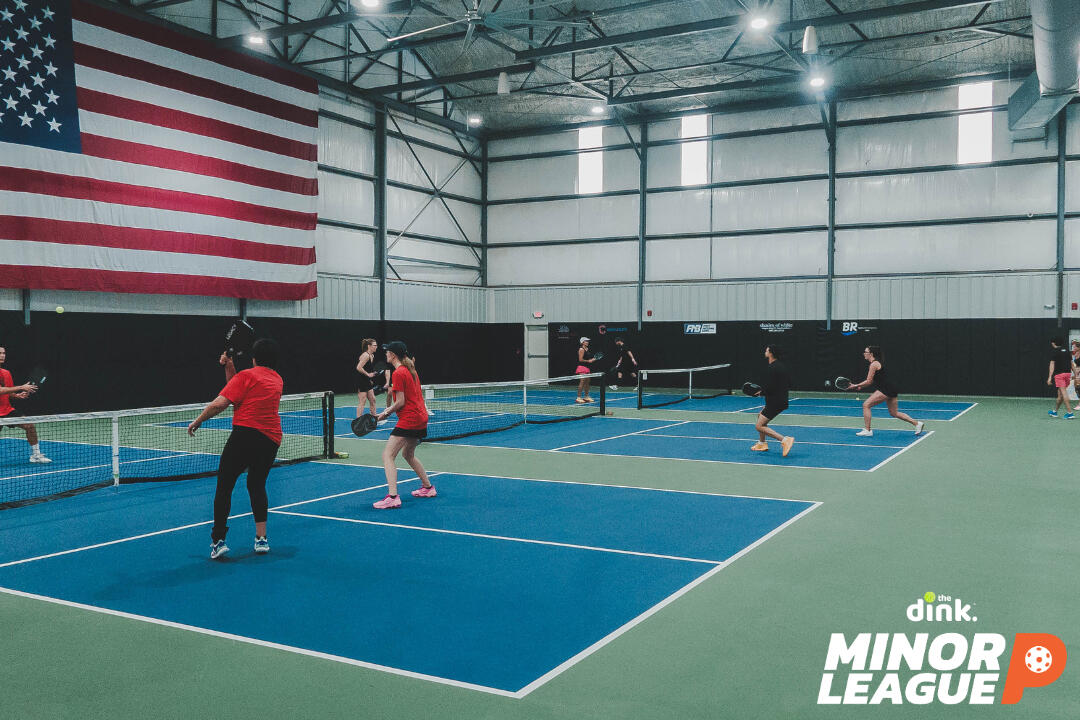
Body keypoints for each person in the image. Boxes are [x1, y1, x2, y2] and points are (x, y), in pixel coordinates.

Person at [189, 339, 284, 559]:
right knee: (256, 485)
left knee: (224, 486)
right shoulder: (277, 379)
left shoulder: (246, 376)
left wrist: (198, 420)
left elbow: (221, 403)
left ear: (254, 358)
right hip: (270, 440)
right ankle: (261, 539)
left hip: (244, 436)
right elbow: (238, 390)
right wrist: (230, 366)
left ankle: (218, 541)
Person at [373, 341, 436, 509]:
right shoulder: (411, 370)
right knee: (408, 454)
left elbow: (400, 402)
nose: (385, 353)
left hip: (410, 419)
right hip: (420, 417)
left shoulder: (399, 373)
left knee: (388, 455)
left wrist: (385, 413)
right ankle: (428, 488)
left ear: (393, 355)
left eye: (387, 351)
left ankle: (393, 497)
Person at [846, 346, 925, 436]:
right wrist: (860, 386)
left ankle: (867, 430)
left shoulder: (874, 364)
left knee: (866, 405)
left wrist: (856, 385)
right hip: (891, 388)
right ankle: (917, 423)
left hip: (885, 389)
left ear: (871, 354)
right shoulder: (876, 363)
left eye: (865, 352)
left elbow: (869, 381)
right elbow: (870, 381)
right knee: (894, 413)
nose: (864, 354)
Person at [0, 346, 49, 464]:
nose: (2, 355)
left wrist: (18, 396)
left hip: (7, 410)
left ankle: (36, 455)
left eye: (4, 353)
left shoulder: (6, 373)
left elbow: (8, 392)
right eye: (0, 353)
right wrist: (22, 387)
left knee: (29, 425)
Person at [750, 345, 795, 457]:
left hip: (776, 402)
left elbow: (770, 387)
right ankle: (762, 444)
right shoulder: (781, 366)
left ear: (770, 353)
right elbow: (789, 383)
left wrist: (761, 392)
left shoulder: (772, 368)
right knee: (760, 416)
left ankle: (785, 440)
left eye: (766, 350)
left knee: (759, 426)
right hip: (779, 400)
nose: (765, 351)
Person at [1047, 337, 1073, 419]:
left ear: (1054, 343)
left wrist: (1049, 377)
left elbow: (1052, 366)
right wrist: (1075, 374)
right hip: (1068, 374)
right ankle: (1055, 412)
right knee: (1060, 395)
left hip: (1059, 376)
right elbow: (1072, 364)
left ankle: (1070, 413)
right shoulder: (1067, 351)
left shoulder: (1054, 352)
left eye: (1052, 342)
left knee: (1064, 393)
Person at [355, 338, 380, 418]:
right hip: (361, 381)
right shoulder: (366, 355)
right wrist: (368, 375)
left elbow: (367, 368)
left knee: (372, 399)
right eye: (374, 345)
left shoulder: (372, 355)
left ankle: (374, 416)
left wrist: (370, 378)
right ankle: (358, 419)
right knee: (363, 400)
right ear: (369, 346)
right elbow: (359, 367)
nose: (376, 347)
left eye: (376, 345)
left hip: (367, 380)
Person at [575, 337, 598, 404]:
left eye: (588, 341)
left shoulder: (587, 349)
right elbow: (580, 359)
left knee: (587, 383)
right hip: (582, 367)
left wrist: (593, 359)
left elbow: (588, 358)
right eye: (586, 341)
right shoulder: (581, 349)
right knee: (582, 382)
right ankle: (578, 397)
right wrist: (588, 361)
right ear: (582, 342)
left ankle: (586, 397)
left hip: (587, 368)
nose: (587, 342)